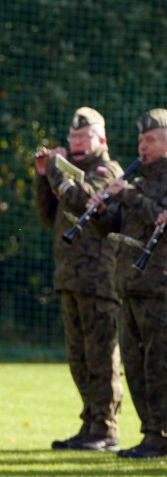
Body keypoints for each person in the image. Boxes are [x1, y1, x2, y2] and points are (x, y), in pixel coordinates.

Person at [34, 107, 124, 452]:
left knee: (101, 355)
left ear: (100, 139)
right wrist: (42, 176)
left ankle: (106, 427)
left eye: (83, 137)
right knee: (79, 356)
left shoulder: (107, 171)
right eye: (72, 137)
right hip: (70, 277)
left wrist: (55, 172)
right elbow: (47, 216)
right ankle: (89, 423)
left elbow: (79, 200)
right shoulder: (67, 172)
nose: (75, 143)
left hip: (100, 280)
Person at [86, 109, 167, 459]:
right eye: (140, 140)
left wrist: (128, 194)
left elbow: (157, 215)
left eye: (149, 140)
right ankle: (152, 432)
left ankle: (160, 434)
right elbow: (115, 227)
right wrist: (102, 212)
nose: (141, 146)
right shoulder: (142, 181)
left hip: (160, 290)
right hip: (131, 286)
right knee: (135, 366)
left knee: (159, 365)